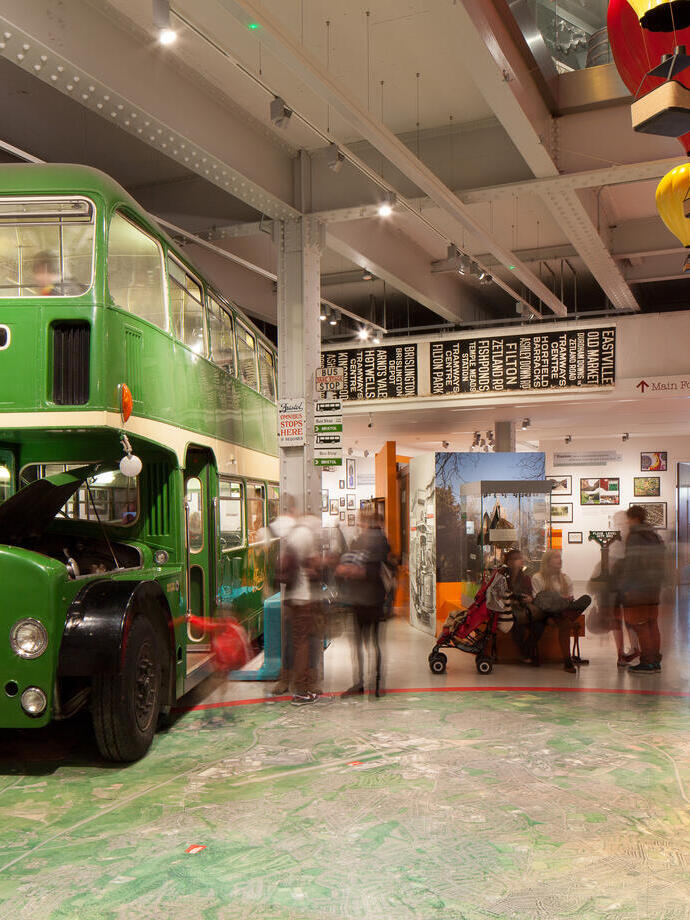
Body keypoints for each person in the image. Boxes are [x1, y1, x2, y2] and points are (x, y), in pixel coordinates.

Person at [271, 496, 325, 704]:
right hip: (303, 598)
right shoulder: (304, 534)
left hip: (292, 596)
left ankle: (299, 682)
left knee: (298, 641)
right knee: (303, 643)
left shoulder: (291, 534)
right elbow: (312, 566)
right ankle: (302, 689)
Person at [337, 510, 391, 697]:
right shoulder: (382, 540)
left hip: (362, 598)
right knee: (374, 642)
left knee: (361, 643)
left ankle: (361, 683)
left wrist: (350, 570)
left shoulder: (368, 540)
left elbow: (369, 569)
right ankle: (376, 684)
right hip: (374, 598)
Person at [619, 505, 666, 673]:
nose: (626, 521)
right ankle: (655, 662)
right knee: (652, 624)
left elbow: (632, 564)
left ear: (634, 518)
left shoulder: (635, 536)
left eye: (628, 518)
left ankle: (647, 662)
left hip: (638, 588)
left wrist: (626, 587)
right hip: (654, 588)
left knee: (640, 624)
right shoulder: (653, 535)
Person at [531, 550, 591, 673]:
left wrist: (566, 600)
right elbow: (538, 600)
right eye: (556, 557)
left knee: (586, 599)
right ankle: (567, 661)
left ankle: (563, 615)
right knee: (564, 621)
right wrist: (559, 599)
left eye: (560, 557)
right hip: (547, 612)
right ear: (547, 561)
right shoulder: (537, 578)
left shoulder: (565, 578)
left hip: (563, 611)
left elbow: (570, 598)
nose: (560, 560)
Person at [486, 549, 537, 663]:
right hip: (503, 608)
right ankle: (525, 653)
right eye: (514, 559)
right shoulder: (502, 576)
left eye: (519, 558)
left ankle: (526, 652)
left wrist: (528, 599)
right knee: (516, 621)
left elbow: (529, 595)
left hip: (519, 608)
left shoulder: (525, 578)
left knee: (525, 622)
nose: (518, 561)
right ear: (508, 561)